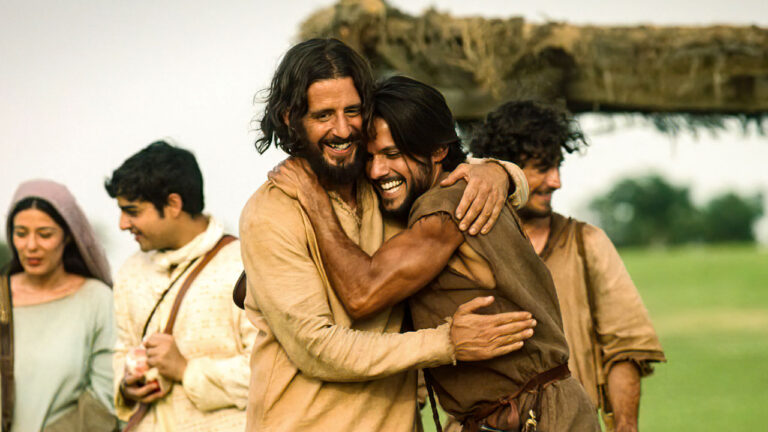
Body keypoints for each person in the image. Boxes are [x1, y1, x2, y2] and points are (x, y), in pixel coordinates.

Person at [269, 76, 600, 432]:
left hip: (536, 419)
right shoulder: (447, 195)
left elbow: (363, 293)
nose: (378, 170)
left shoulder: (447, 207)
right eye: (371, 156)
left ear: (438, 151)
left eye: (393, 155)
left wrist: (314, 200)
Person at [240, 38, 535, 432]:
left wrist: (499, 172)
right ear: (291, 117)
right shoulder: (271, 211)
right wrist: (445, 343)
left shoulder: (382, 184)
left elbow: (439, 167)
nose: (342, 129)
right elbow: (319, 349)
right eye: (323, 115)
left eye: (353, 111)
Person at [470, 100, 666, 432]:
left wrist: (626, 426)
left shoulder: (586, 243)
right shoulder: (465, 244)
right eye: (541, 167)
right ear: (506, 171)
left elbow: (625, 349)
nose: (556, 181)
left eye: (558, 165)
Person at [105, 141, 256, 431]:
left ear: (173, 204)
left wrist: (186, 370)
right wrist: (126, 386)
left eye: (132, 211)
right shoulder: (129, 272)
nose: (123, 224)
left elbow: (268, 370)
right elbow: (122, 350)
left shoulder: (244, 265)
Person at [1, 179, 116, 431]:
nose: (31, 246)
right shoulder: (2, 298)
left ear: (67, 237)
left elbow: (105, 397)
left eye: (45, 234)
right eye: (21, 234)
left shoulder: (96, 300)